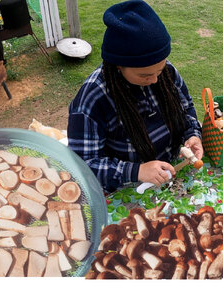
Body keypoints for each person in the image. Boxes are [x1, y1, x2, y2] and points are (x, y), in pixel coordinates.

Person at [68, 0, 203, 194]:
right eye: (145, 75)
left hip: (170, 177)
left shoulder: (166, 73)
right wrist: (136, 171)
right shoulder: (92, 99)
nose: (156, 80)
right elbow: (83, 164)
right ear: (117, 66)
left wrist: (192, 133)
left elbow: (186, 106)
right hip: (125, 190)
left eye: (160, 69)